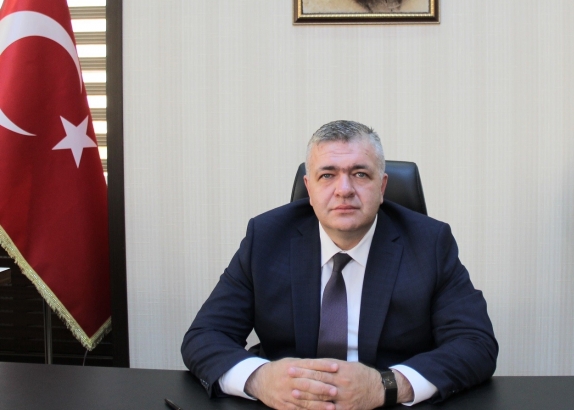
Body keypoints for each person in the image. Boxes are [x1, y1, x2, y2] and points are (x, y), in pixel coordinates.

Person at [182, 120, 498, 409]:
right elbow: (205, 335)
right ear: (309, 188)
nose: (344, 189)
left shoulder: (429, 244)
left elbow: (475, 343)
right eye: (327, 175)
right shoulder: (266, 239)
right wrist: (259, 379)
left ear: (382, 187)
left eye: (360, 174)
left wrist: (386, 386)